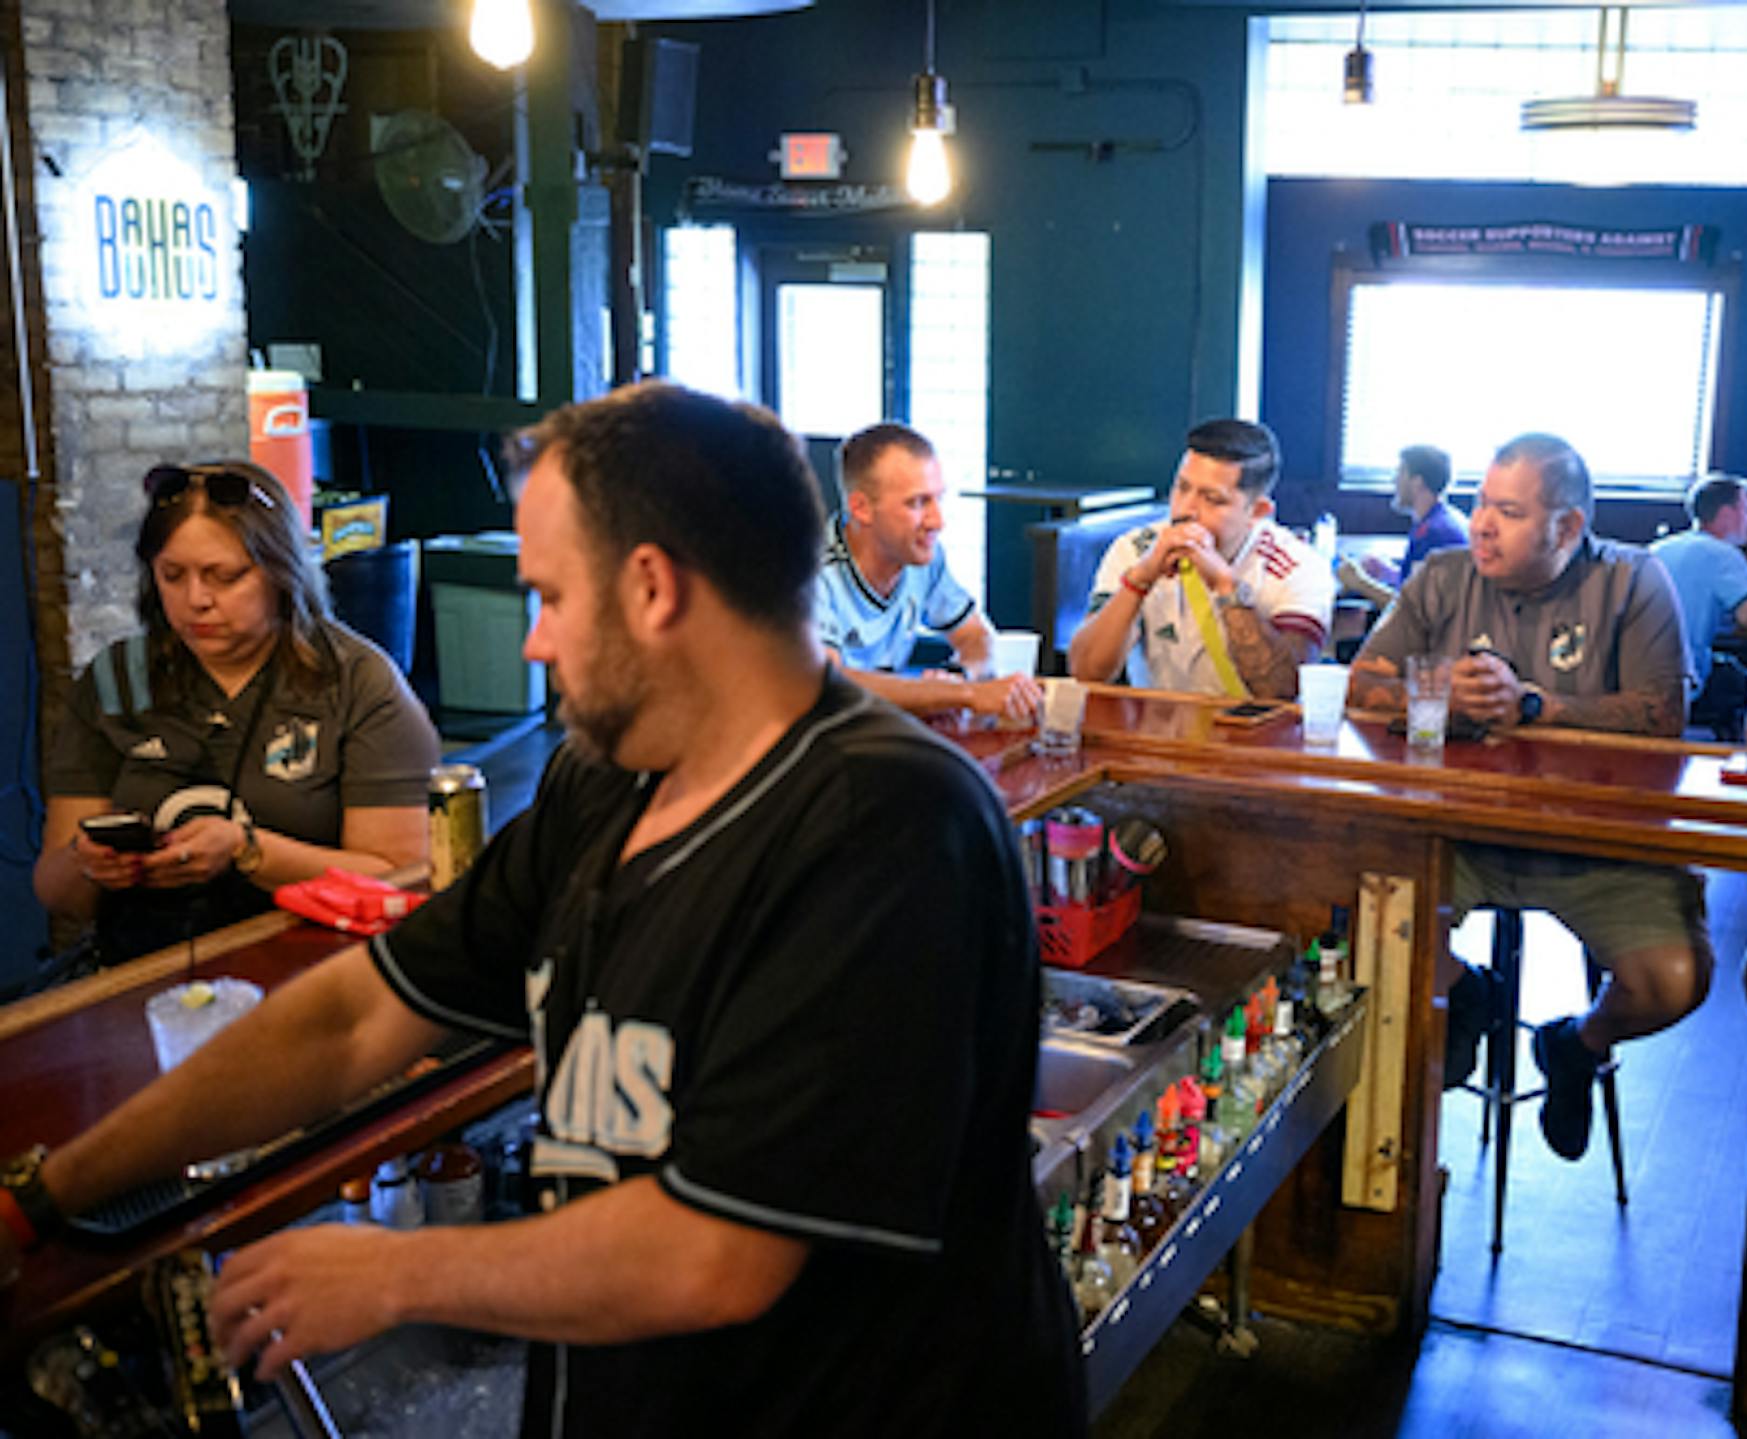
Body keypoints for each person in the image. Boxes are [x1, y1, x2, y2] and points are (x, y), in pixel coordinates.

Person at [0, 386, 1084, 1437]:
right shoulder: (602, 783)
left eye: (551, 597)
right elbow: (358, 1016)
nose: (533, 642)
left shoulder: (887, 821)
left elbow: (721, 1250)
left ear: (653, 588)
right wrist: (52, 1191)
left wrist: (395, 1271)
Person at [1347, 433, 1704, 1162]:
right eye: (1480, 501)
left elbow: (1663, 715)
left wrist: (1539, 707)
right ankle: (1463, 992)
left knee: (1673, 980)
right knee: (1362, 922)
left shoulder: (1634, 582)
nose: (1480, 523)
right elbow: (1357, 685)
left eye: (1507, 511)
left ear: (1567, 527)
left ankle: (1577, 1044)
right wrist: (1436, 686)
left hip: (1594, 842)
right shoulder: (1441, 577)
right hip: (1453, 834)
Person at [32, 461, 435, 969]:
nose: (197, 600)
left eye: (226, 577)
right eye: (172, 576)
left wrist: (248, 851)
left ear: (281, 571)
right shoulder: (115, 682)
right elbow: (56, 891)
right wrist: (89, 864)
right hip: (144, 967)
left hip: (317, 971)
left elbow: (400, 880)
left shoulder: (356, 684)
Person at [1067, 418, 1335, 699]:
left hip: (1255, 737)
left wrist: (1227, 589)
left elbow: (1281, 690)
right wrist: (1139, 580)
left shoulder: (1301, 567)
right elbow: (1087, 672)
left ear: (1257, 511)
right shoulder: (1134, 549)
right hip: (1157, 730)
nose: (1186, 510)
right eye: (1181, 488)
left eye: (1213, 499)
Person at [815, 421, 1042, 724]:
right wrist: (958, 694)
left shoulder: (920, 556)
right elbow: (828, 685)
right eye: (918, 503)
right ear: (861, 508)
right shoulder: (807, 573)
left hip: (876, 733)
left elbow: (976, 635)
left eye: (939, 499)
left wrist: (958, 676)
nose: (937, 521)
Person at [1650, 473, 1747, 736]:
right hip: (1686, 685)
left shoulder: (1656, 550)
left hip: (1637, 679)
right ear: (1727, 513)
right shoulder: (1724, 555)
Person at [1334, 444, 1471, 606]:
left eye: (1400, 473)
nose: (1394, 480)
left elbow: (1413, 611)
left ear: (1417, 482)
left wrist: (1359, 582)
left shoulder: (1434, 534)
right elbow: (1421, 584)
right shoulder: (1440, 520)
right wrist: (1388, 573)